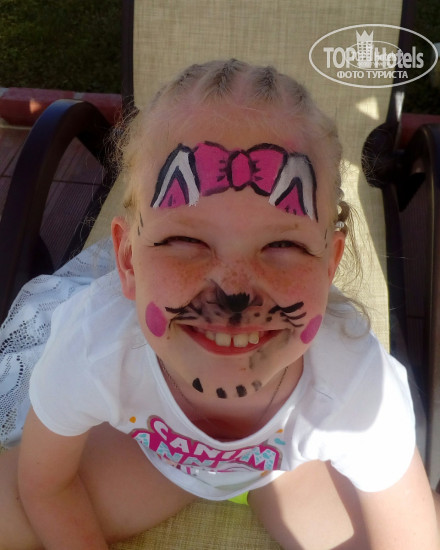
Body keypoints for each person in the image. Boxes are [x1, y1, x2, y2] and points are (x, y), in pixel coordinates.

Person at [0, 59, 439, 550]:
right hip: (147, 461)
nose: (234, 292)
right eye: (186, 241)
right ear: (127, 262)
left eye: (283, 245)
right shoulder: (93, 345)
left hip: (291, 476)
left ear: (328, 266)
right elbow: (46, 486)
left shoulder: (357, 386)